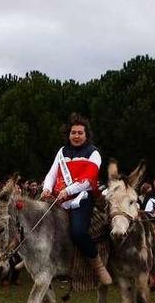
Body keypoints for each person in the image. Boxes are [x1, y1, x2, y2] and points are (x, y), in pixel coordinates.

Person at [40, 113, 112, 286]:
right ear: (69, 134)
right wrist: (46, 189)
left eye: (80, 133)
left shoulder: (93, 153)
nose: (77, 136)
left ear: (86, 135)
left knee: (78, 233)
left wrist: (68, 190)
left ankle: (99, 268)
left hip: (82, 198)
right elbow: (52, 173)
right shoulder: (62, 151)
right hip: (59, 198)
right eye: (74, 132)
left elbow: (88, 179)